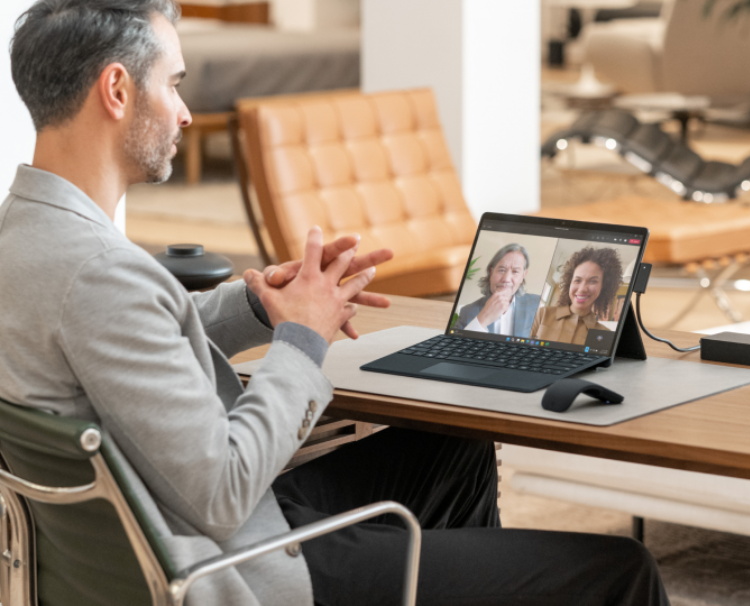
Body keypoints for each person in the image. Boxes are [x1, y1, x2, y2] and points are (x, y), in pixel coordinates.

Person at [0, 2, 671, 606]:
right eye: (173, 84)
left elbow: (133, 343)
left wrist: (260, 307)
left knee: (452, 448)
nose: (184, 111)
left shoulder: (27, 238)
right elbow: (224, 489)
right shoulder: (101, 273)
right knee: (623, 569)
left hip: (159, 529)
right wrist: (301, 339)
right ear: (117, 89)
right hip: (235, 565)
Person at [532, 247, 623, 345]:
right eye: (577, 280)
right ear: (569, 283)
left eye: (593, 281)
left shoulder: (605, 334)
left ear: (603, 287)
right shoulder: (543, 314)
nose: (582, 289)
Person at [452, 243, 540, 337]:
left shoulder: (537, 305)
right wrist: (482, 319)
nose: (506, 279)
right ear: (491, 273)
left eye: (515, 271)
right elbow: (452, 346)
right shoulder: (467, 311)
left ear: (523, 276)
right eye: (501, 270)